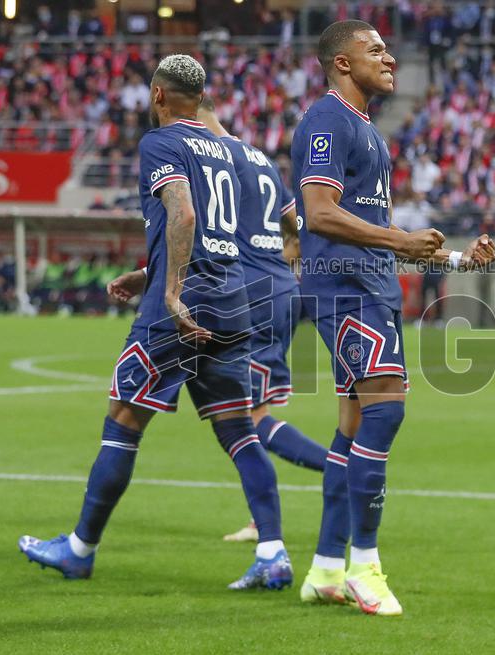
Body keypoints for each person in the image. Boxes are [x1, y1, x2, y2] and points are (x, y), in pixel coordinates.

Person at [18, 54, 292, 591]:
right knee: (238, 428)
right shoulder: (232, 152)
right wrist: (149, 273)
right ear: (202, 96)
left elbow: (184, 214)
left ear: (159, 95)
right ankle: (272, 552)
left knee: (123, 418)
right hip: (233, 299)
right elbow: (220, 236)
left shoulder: (161, 143)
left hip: (183, 306)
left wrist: (168, 291)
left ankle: (79, 550)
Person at [292, 20, 495, 616]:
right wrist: (399, 239)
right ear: (341, 62)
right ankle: (365, 565)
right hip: (346, 289)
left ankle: (326, 568)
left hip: (368, 284)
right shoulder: (327, 120)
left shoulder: (365, 130)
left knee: (353, 424)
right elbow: (319, 213)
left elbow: (379, 231)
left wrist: (455, 259)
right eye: (375, 50)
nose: (388, 59)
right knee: (387, 411)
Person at [107, 98, 330, 544]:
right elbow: (298, 227)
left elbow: (209, 238)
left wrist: (157, 279)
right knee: (246, 416)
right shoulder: (260, 158)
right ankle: (263, 521)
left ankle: (343, 466)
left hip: (246, 293)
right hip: (279, 290)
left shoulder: (214, 158)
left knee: (249, 418)